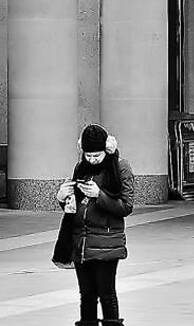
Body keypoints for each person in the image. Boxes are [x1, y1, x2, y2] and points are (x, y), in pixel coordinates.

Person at [54, 124, 134, 326]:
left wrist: (99, 195)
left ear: (107, 150)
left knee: (107, 294)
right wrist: (63, 199)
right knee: (86, 295)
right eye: (88, 156)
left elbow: (126, 206)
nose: (92, 160)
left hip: (107, 241)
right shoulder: (81, 167)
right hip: (81, 241)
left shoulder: (120, 167)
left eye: (97, 156)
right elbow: (76, 204)